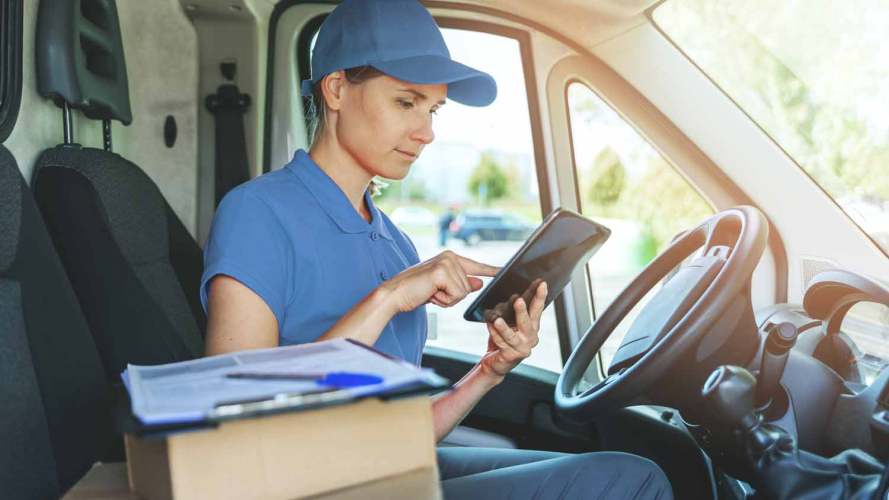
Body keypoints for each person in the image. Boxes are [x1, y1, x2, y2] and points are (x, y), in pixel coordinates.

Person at [200, 0, 672, 498]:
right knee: (629, 480)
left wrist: (488, 372)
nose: (426, 133)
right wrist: (387, 299)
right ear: (336, 89)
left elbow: (402, 433)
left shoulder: (394, 243)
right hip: (302, 484)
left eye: (433, 109)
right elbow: (236, 417)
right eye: (406, 102)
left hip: (380, 470)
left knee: (609, 467)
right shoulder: (257, 212)